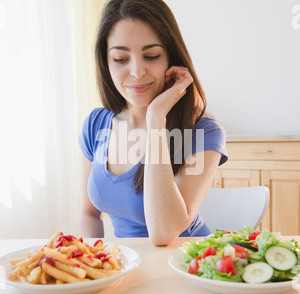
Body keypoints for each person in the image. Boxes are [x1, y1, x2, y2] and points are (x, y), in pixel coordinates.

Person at [77, 0, 228, 245]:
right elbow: (89, 214)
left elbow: (164, 232)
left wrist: (156, 117)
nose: (137, 71)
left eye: (151, 56)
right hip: (128, 267)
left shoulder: (203, 132)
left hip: (186, 268)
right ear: (106, 62)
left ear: (171, 57)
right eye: (120, 59)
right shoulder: (96, 124)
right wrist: (86, 263)